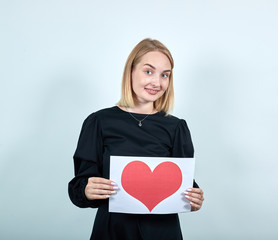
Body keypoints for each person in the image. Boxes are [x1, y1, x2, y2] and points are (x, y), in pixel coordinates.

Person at [68, 38, 204, 240]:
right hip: (112, 232)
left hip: (162, 233)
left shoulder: (176, 127)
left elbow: (184, 185)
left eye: (164, 75)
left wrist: (194, 198)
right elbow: (78, 186)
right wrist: (87, 189)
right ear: (130, 71)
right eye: (148, 71)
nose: (157, 82)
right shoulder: (99, 122)